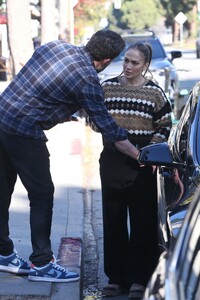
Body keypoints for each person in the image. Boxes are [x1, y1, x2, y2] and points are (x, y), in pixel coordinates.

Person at [0, 30, 140, 283]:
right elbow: (110, 130)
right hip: (23, 131)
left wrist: (55, 111)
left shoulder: (53, 46)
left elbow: (36, 86)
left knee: (1, 190)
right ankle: (42, 264)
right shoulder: (87, 80)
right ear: (107, 60)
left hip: (2, 116)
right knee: (41, 195)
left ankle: (3, 253)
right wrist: (139, 155)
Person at [98, 43, 172, 299]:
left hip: (144, 164)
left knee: (143, 220)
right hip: (113, 159)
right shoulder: (107, 87)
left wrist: (151, 152)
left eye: (135, 63)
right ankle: (116, 278)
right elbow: (96, 120)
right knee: (113, 218)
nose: (128, 66)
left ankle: (139, 278)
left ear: (145, 65)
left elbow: (165, 125)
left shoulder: (155, 93)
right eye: (126, 60)